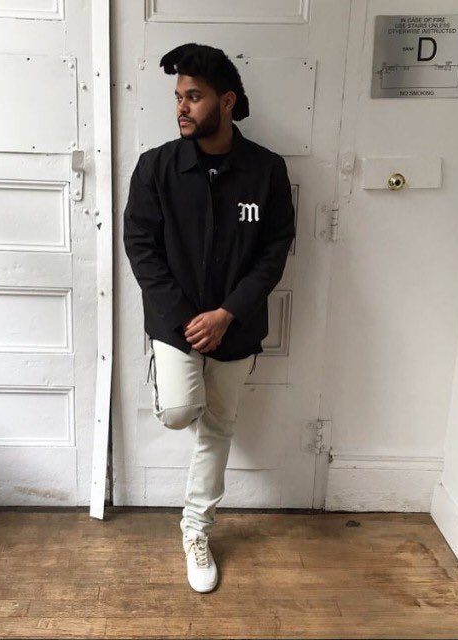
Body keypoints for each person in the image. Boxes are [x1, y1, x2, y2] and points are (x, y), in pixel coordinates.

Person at [123, 43, 296, 593]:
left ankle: (196, 532)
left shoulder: (266, 170)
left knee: (218, 427)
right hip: (175, 325)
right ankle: (171, 377)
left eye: (194, 96)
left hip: (236, 326)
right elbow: (140, 247)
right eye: (178, 96)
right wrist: (187, 322)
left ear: (227, 101)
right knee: (180, 412)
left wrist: (226, 314)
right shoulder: (156, 167)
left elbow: (275, 250)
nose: (182, 107)